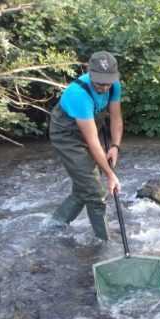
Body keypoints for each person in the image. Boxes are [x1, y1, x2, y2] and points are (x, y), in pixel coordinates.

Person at [49, 51, 123, 240]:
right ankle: (105, 243)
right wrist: (110, 174)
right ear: (89, 74)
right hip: (66, 137)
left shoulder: (114, 86)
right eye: (99, 83)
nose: (104, 88)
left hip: (87, 131)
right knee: (95, 192)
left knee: (84, 186)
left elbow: (116, 118)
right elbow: (92, 141)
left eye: (108, 82)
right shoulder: (78, 94)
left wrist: (115, 146)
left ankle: (55, 224)